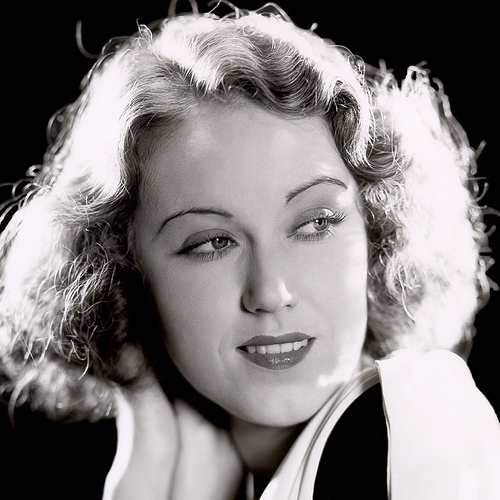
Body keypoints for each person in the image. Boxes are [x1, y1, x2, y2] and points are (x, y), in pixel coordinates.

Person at [0, 2, 499, 499]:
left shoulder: (416, 419)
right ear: (125, 277)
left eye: (315, 223)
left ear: (377, 231)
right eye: (212, 242)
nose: (270, 292)